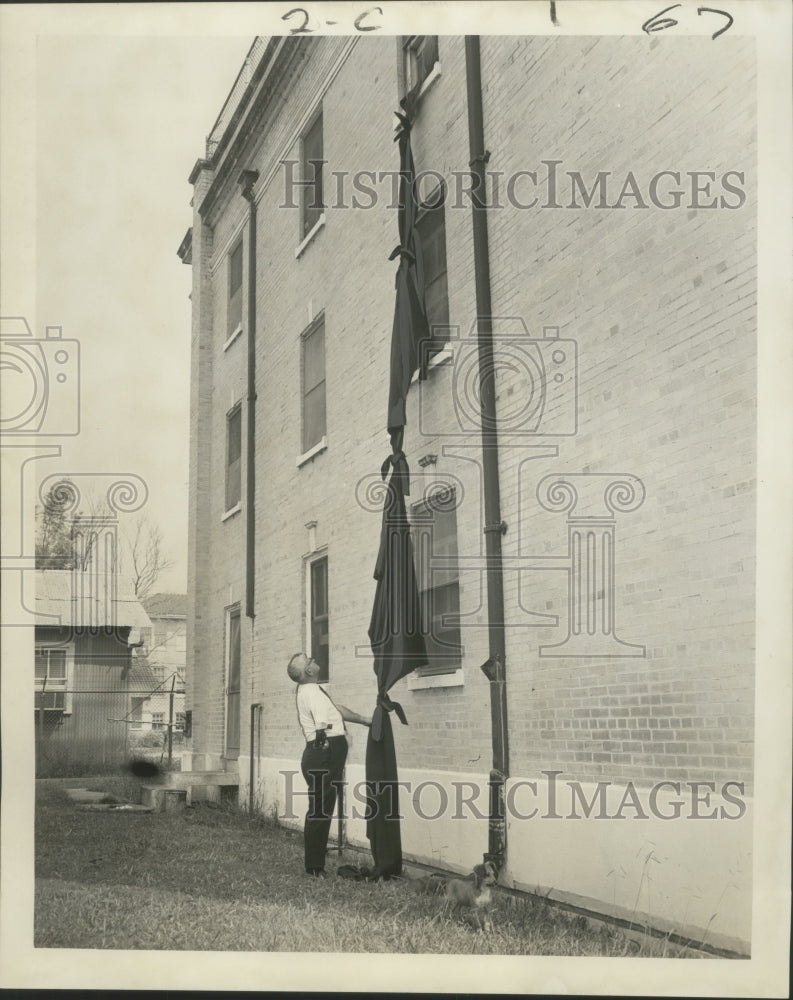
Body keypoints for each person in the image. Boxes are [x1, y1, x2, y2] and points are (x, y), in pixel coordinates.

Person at [287, 652, 372, 877]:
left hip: (322, 752)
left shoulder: (313, 690)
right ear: (307, 671)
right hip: (322, 752)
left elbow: (336, 710)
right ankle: (314, 867)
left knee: (322, 807)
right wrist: (323, 740)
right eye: (309, 661)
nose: (314, 661)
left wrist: (364, 720)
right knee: (320, 810)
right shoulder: (311, 691)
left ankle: (315, 863)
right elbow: (322, 720)